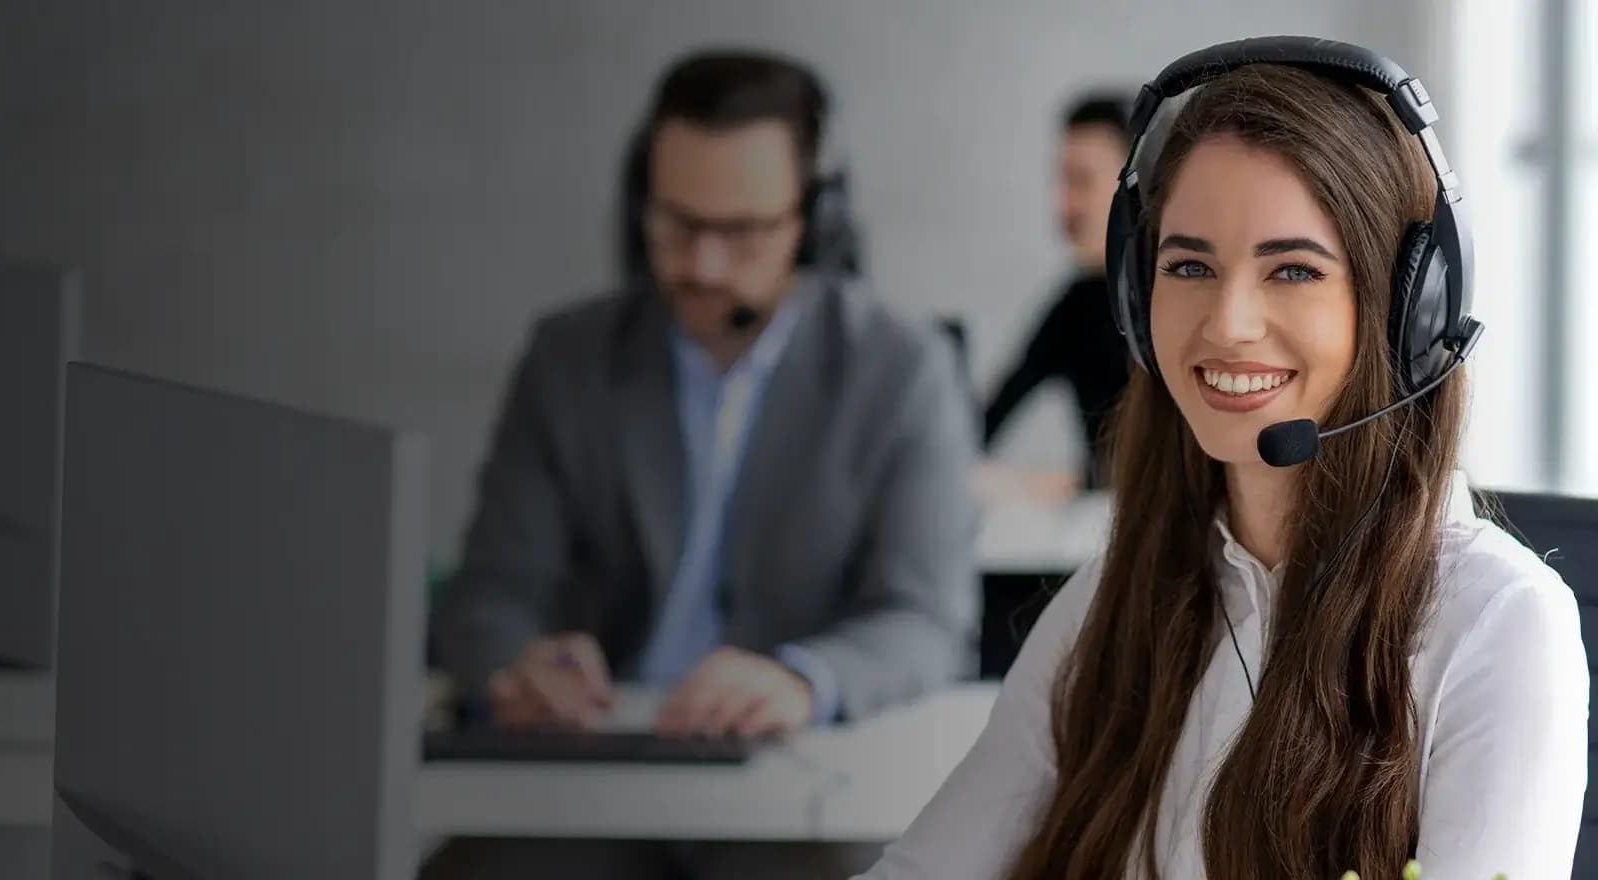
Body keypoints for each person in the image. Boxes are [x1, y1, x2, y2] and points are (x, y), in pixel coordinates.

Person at [858, 46, 1588, 880]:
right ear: (1139, 298)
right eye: (1191, 265)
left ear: (1405, 312)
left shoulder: (1494, 621)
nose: (1229, 322)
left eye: (1293, 271)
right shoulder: (1112, 603)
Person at [424, 48, 979, 879]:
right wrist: (515, 665)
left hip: (787, 788)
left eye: (743, 231)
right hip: (589, 786)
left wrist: (805, 678)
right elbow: (490, 592)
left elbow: (926, 620)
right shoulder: (567, 358)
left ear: (815, 221)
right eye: (677, 224)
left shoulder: (903, 370)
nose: (703, 266)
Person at [980, 93, 1136, 492]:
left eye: (1081, 181)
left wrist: (1069, 486)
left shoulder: (1179, 299)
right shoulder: (1076, 305)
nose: (1064, 205)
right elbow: (982, 423)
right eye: (1061, 181)